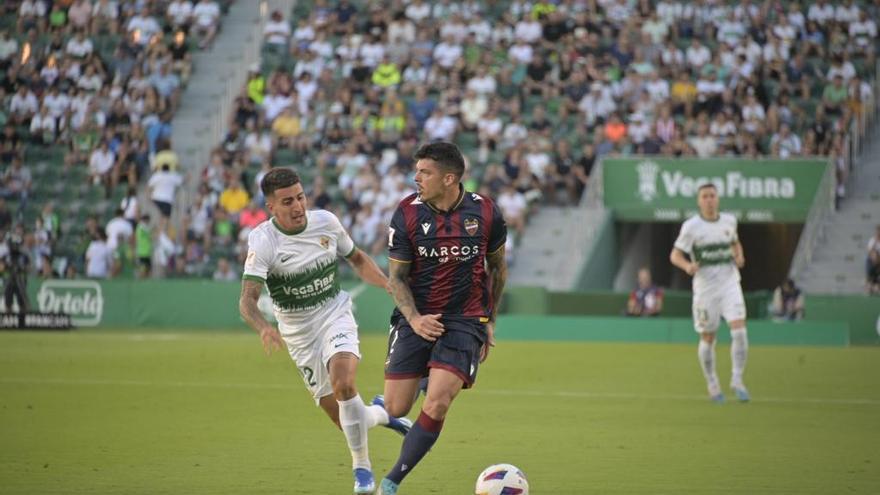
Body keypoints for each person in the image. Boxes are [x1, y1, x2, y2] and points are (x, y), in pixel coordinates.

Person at [238, 168, 411, 494]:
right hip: (298, 334)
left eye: (300, 197)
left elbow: (357, 260)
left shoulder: (326, 223)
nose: (298, 206)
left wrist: (387, 284)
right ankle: (384, 414)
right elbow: (247, 300)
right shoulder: (263, 241)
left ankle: (362, 469)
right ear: (271, 207)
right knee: (345, 418)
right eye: (287, 201)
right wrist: (263, 328)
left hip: (334, 314)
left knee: (345, 383)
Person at [377, 142, 508, 495]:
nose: (415, 177)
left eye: (424, 172)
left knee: (437, 402)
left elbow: (497, 269)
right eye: (417, 171)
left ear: (449, 178)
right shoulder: (406, 214)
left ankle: (390, 483)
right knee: (396, 406)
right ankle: (421, 380)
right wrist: (415, 319)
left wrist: (490, 319)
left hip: (466, 320)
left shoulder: (486, 213)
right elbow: (397, 279)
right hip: (417, 316)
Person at [670, 183, 749, 403]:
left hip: (730, 283)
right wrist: (687, 266)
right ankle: (712, 382)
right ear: (698, 201)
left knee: (739, 331)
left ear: (718, 199)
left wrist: (739, 256)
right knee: (708, 337)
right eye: (705, 196)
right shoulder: (691, 227)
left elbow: (735, 243)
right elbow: (675, 255)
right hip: (706, 290)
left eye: (712, 196)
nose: (709, 200)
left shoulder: (729, 221)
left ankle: (737, 379)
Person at [866, 225, 880, 294]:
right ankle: (870, 287)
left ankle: (876, 286)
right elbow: (869, 250)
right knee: (873, 255)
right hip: (872, 260)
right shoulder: (872, 240)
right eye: (878, 231)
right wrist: (874, 257)